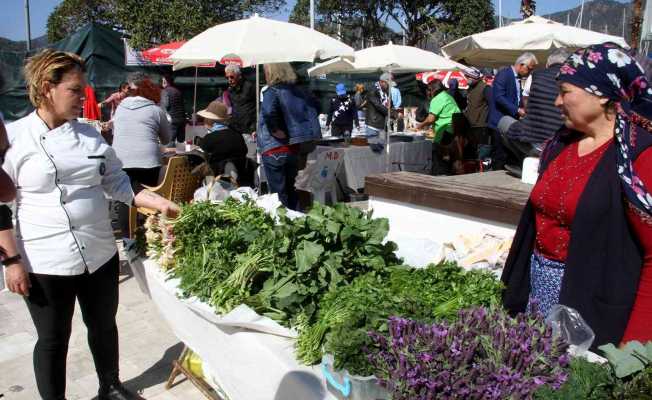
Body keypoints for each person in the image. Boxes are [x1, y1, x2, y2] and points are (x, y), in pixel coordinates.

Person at [2, 49, 180, 400]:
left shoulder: (89, 136)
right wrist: (11, 261)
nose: (83, 97)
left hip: (98, 251)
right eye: (74, 89)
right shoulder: (15, 138)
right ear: (46, 87)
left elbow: (117, 182)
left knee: (103, 325)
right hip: (45, 259)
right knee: (53, 339)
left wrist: (159, 202)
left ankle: (110, 386)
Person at [501, 43, 652, 348]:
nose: (556, 101)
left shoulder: (639, 157)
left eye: (565, 91)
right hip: (538, 297)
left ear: (602, 94)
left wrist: (634, 346)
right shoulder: (561, 144)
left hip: (594, 309)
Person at [258, 62, 321, 210]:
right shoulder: (299, 91)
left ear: (271, 72)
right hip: (292, 148)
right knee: (291, 191)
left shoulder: (272, 91)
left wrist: (275, 130)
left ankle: (284, 228)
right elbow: (317, 107)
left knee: (279, 196)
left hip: (273, 147)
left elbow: (268, 112)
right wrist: (296, 128)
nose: (264, 74)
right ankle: (296, 224)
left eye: (266, 71)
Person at [502, 49, 569, 169]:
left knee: (504, 122)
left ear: (548, 64)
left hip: (537, 141)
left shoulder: (536, 75)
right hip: (563, 143)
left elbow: (526, 102)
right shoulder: (574, 79)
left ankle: (527, 160)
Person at [488, 52, 538, 169]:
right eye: (529, 69)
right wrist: (517, 110)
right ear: (521, 65)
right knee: (500, 155)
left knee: (509, 154)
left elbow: (517, 97)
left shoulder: (518, 78)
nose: (530, 72)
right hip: (499, 122)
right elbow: (499, 97)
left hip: (510, 121)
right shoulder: (504, 74)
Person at [196, 100, 250, 185]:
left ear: (210, 120)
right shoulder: (237, 135)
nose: (203, 121)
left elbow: (202, 156)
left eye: (205, 118)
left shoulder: (210, 138)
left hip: (217, 181)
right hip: (240, 180)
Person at [463, 67, 491, 149]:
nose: (467, 79)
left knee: (481, 149)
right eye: (466, 77)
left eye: (468, 77)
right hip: (471, 124)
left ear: (474, 77)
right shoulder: (471, 88)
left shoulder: (485, 88)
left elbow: (492, 105)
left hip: (481, 125)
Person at [365, 72, 393, 152]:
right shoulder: (373, 91)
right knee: (374, 151)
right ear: (381, 82)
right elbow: (378, 105)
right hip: (373, 126)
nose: (390, 86)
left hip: (382, 126)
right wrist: (392, 113)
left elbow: (389, 104)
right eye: (388, 84)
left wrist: (390, 104)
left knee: (382, 150)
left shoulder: (386, 92)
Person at [225, 64, 257, 135]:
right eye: (227, 78)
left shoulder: (250, 86)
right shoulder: (230, 89)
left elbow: (259, 106)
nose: (229, 80)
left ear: (239, 76)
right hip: (235, 128)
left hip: (250, 130)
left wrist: (254, 127)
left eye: (231, 77)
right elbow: (234, 107)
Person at [160, 73, 186, 146]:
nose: (162, 83)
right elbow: (183, 106)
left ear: (166, 82)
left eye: (163, 81)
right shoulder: (178, 91)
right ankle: (180, 157)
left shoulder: (165, 91)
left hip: (171, 121)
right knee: (181, 144)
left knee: (169, 143)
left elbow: (165, 106)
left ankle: (171, 157)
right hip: (181, 120)